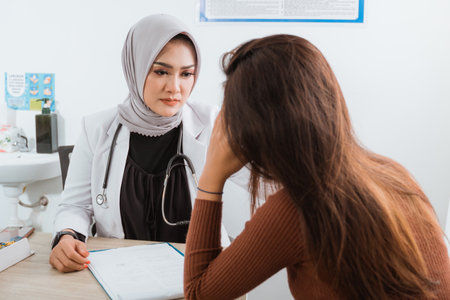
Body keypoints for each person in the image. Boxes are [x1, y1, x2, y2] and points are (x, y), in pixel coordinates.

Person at [183, 34, 450, 299]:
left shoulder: (295, 208)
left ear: (255, 125)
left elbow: (198, 294)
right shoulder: (392, 172)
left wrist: (211, 176)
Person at [49, 14, 237, 273]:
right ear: (135, 67)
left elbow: (263, 178)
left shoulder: (213, 122)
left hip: (197, 271)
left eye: (186, 74)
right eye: (161, 71)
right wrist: (68, 235)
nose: (175, 88)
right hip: (122, 271)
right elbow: (75, 206)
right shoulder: (97, 128)